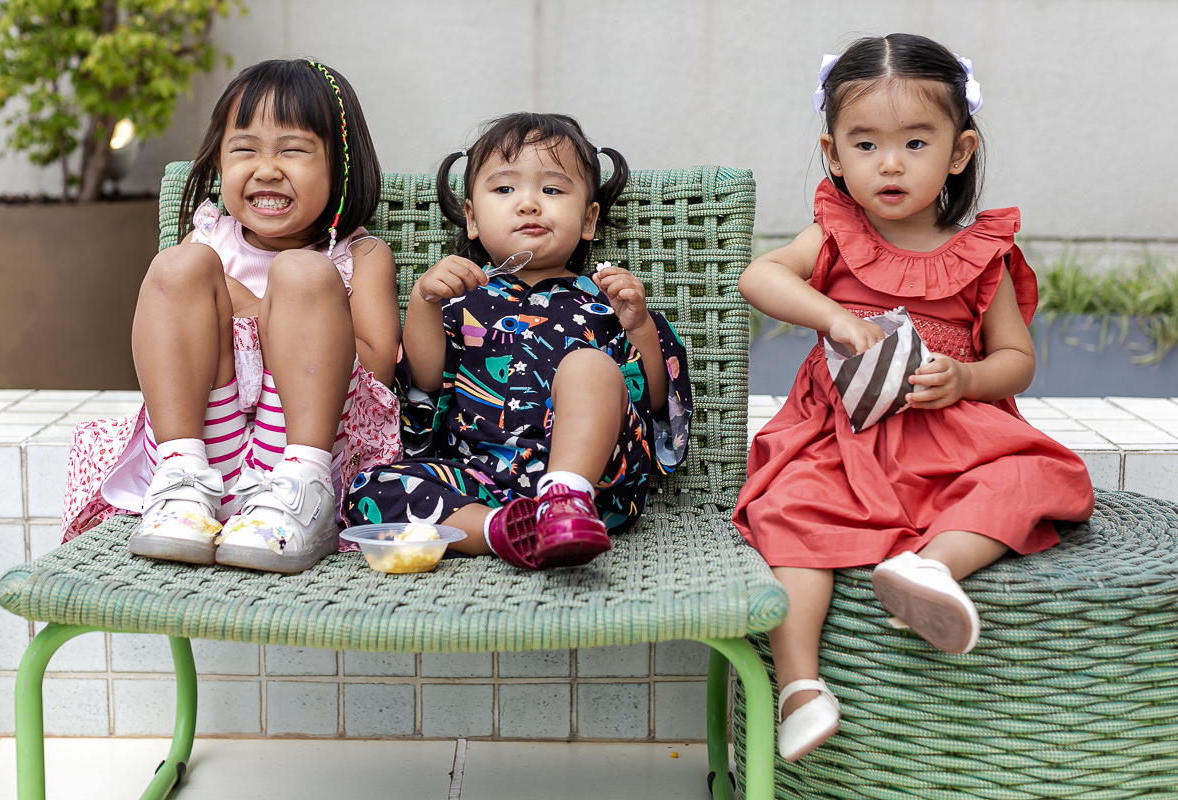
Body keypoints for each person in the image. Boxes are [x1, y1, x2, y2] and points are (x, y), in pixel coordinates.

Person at [732, 34, 1094, 761]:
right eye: (865, 144)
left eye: (915, 142)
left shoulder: (980, 254)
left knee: (1042, 474)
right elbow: (760, 278)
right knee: (788, 515)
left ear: (958, 152)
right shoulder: (834, 235)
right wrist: (833, 315)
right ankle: (802, 688)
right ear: (834, 155)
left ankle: (931, 569)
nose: (889, 164)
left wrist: (965, 379)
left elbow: (1017, 362)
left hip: (953, 434)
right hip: (843, 437)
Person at [61, 59, 402, 573]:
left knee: (304, 275)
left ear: (341, 166)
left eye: (293, 149)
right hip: (205, 451)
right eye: (244, 149)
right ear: (219, 163)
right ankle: (180, 484)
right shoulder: (208, 242)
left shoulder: (359, 257)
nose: (267, 168)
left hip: (309, 461)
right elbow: (169, 347)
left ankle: (297, 489)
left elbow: (376, 373)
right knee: (178, 268)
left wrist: (258, 308)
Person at [345, 113, 692, 569]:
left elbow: (656, 400)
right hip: (480, 480)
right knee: (367, 490)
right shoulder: (460, 300)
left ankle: (563, 498)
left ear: (589, 220)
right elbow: (425, 381)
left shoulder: (609, 301)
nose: (529, 204)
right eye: (505, 190)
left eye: (552, 190)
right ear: (471, 217)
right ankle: (502, 530)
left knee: (588, 366)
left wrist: (640, 327)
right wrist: (424, 300)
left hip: (597, 484)